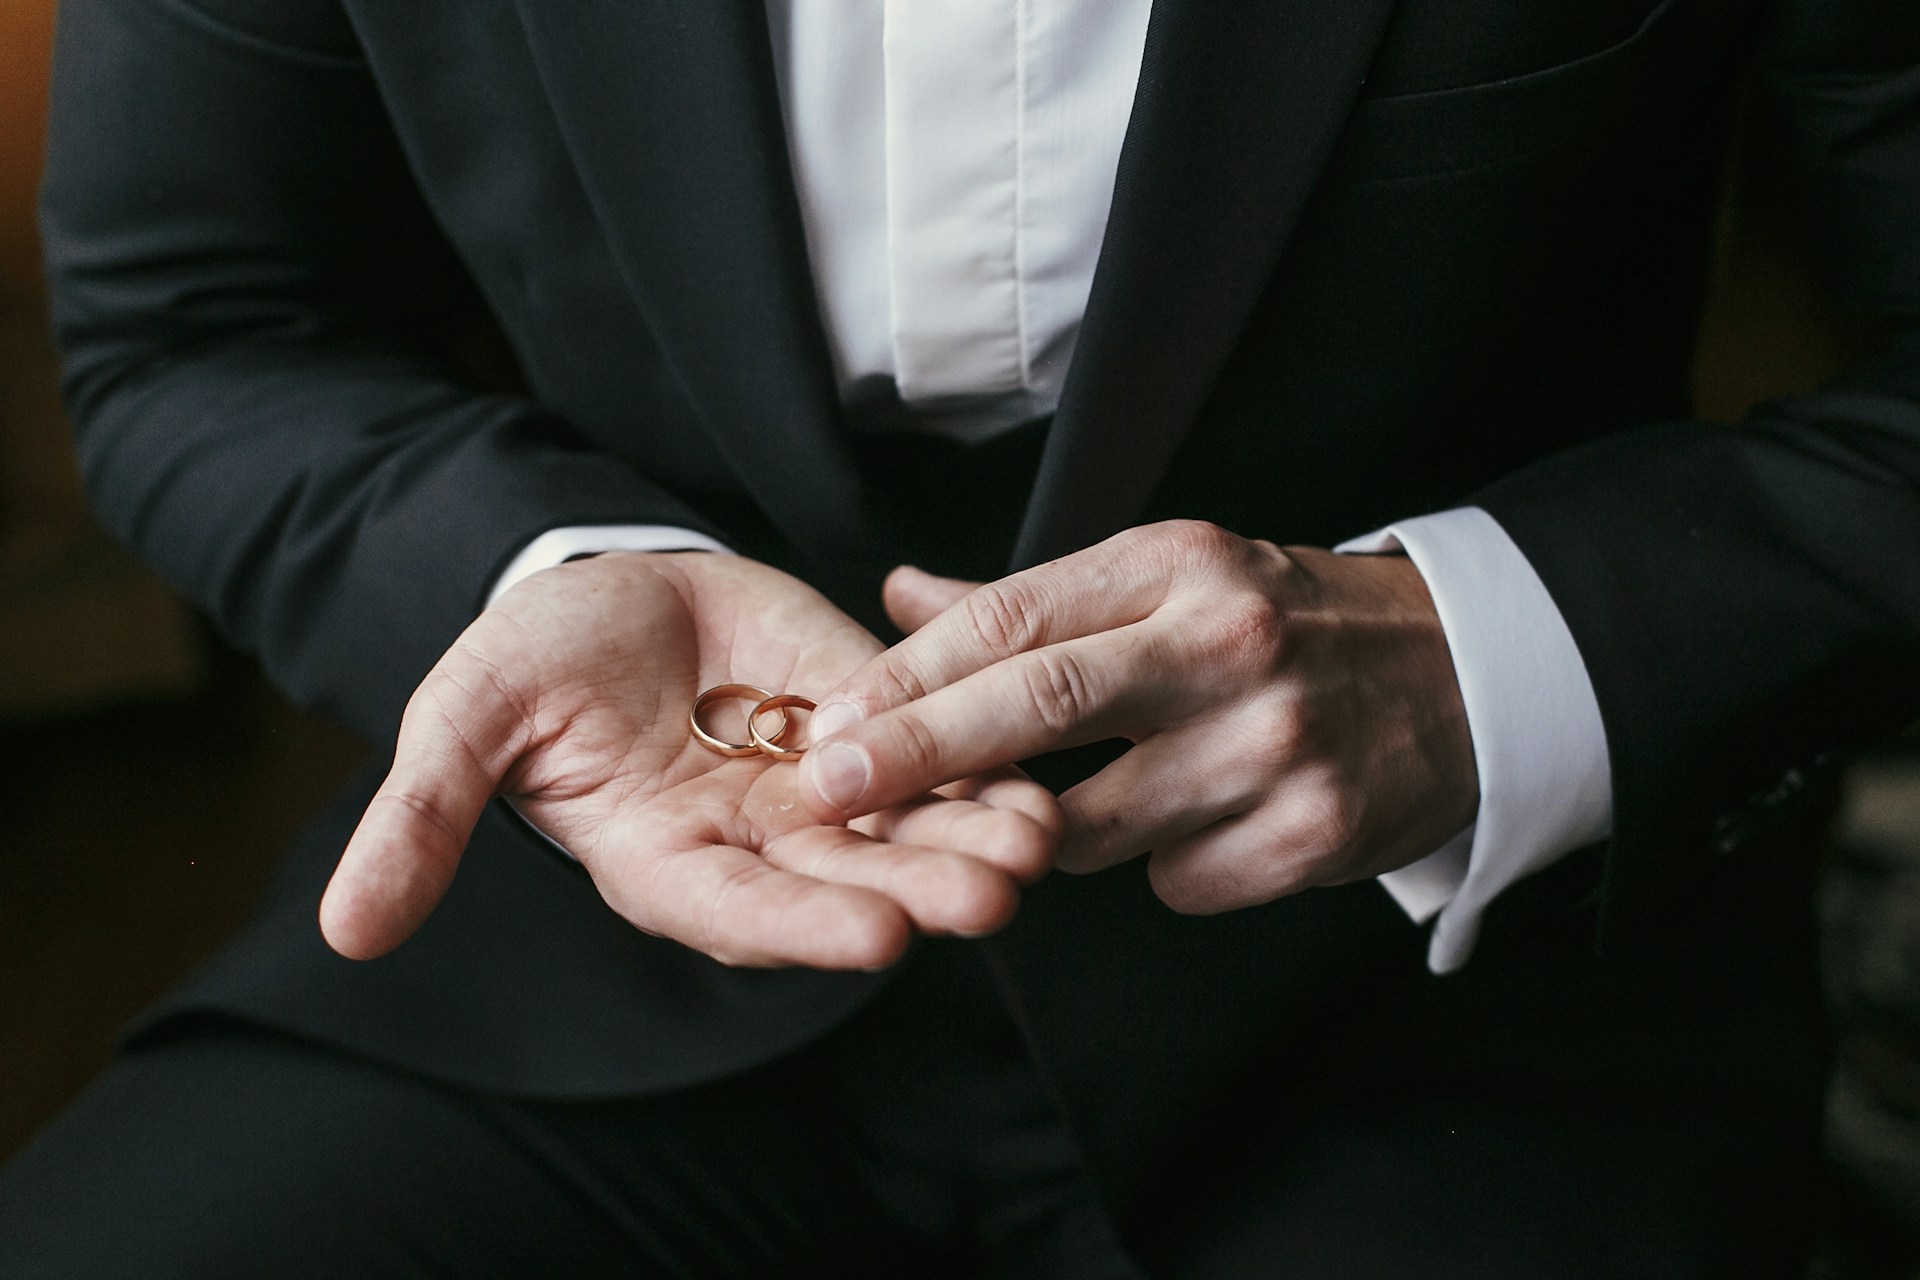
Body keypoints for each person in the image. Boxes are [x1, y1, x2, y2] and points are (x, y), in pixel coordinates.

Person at [3, 0, 1915, 1274]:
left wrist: (1491, 646)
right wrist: (539, 578)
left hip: (1463, 1005)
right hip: (598, 939)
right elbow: (201, 315)